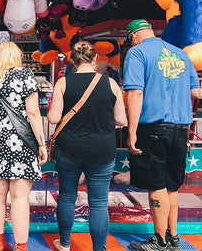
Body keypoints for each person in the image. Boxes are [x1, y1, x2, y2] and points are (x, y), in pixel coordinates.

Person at [123, 20, 200, 251]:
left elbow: (135, 93)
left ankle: (159, 240)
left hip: (154, 127)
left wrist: (132, 131)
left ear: (133, 36)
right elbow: (195, 91)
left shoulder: (137, 53)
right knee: (172, 186)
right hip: (180, 129)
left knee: (156, 184)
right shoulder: (181, 54)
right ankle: (173, 238)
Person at [47, 40, 127, 251]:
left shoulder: (63, 83)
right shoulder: (110, 84)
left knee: (66, 196)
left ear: (72, 60)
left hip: (69, 149)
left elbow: (54, 118)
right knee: (99, 203)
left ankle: (64, 244)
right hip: (102, 149)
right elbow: (121, 120)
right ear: (95, 59)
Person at [0, 41, 47, 251]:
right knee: (20, 195)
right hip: (21, 140)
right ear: (17, 56)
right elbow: (33, 113)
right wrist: (41, 143)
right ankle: (20, 246)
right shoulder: (25, 76)